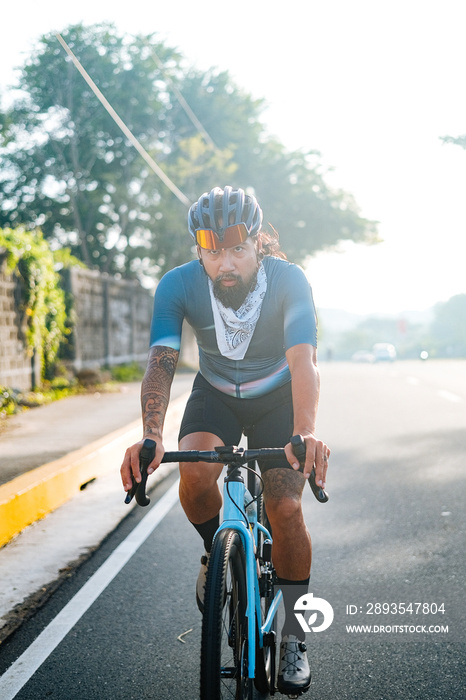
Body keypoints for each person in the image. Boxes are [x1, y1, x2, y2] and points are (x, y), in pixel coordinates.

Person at [121, 185, 330, 695]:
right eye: (214, 251)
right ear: (199, 250)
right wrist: (151, 436)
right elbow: (161, 361)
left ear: (259, 242)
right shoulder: (178, 285)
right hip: (214, 393)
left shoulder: (289, 281)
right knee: (192, 476)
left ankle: (297, 637)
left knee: (284, 509)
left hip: (278, 398)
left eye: (237, 248)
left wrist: (305, 432)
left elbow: (304, 361)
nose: (226, 262)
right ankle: (215, 553)